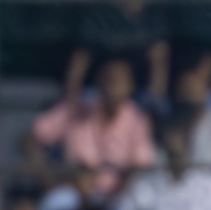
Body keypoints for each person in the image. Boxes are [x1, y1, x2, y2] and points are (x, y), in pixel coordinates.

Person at [27, 59, 155, 197]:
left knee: (141, 197)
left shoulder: (137, 118)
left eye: (119, 80)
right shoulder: (77, 108)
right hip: (74, 191)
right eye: (109, 78)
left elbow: (141, 164)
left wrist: (113, 196)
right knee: (58, 200)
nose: (113, 84)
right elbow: (30, 139)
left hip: (118, 198)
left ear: (130, 86)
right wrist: (49, 180)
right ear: (98, 81)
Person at [65, 0, 169, 105]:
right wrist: (71, 98)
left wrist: (155, 100)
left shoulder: (153, 20)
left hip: (140, 92)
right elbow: (80, 59)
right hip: (100, 90)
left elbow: (159, 60)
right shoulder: (100, 19)